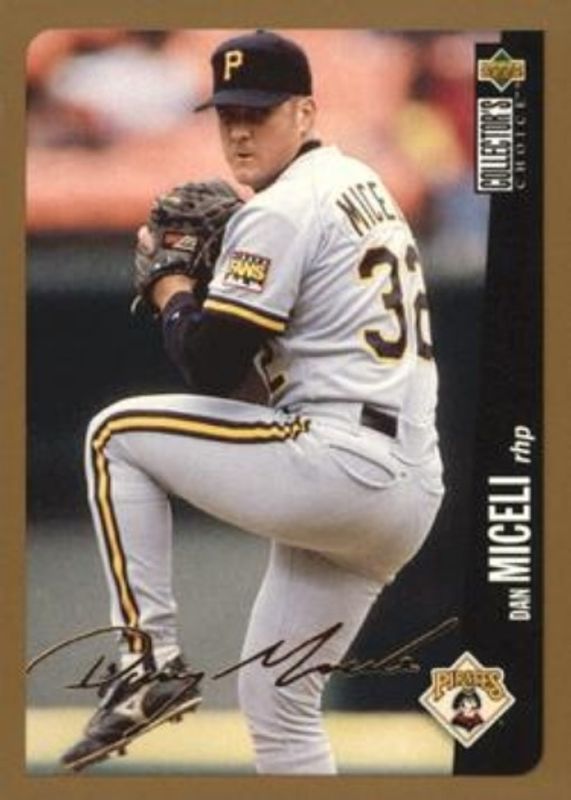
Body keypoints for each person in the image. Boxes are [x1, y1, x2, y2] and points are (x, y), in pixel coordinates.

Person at [61, 29, 445, 775]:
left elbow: (209, 368)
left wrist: (172, 287)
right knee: (279, 707)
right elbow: (254, 377)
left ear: (304, 111)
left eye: (259, 113)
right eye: (228, 113)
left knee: (115, 435)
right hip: (403, 491)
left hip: (340, 464)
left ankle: (147, 664)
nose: (239, 130)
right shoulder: (358, 180)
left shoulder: (282, 208)